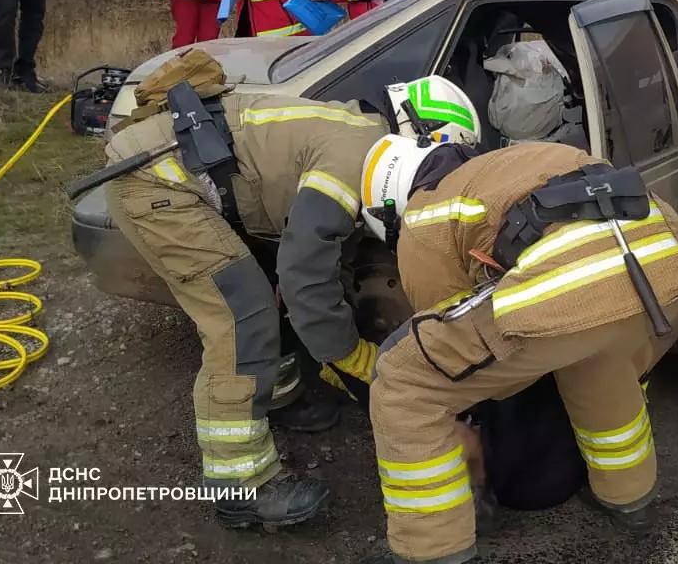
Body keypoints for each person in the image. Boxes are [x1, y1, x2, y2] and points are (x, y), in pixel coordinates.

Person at [98, 65, 479, 530]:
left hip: (186, 175)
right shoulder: (353, 159)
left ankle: (276, 397)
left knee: (265, 289)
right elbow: (304, 275)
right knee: (242, 312)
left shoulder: (364, 136)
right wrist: (348, 356)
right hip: (155, 183)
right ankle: (242, 487)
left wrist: (332, 349)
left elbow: (327, 256)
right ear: (423, 137)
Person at [356, 136, 678, 564]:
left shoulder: (424, 212)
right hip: (669, 266)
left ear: (388, 205)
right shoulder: (517, 158)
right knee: (600, 362)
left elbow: (444, 325)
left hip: (573, 283)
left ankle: (432, 551)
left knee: (406, 381)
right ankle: (630, 502)